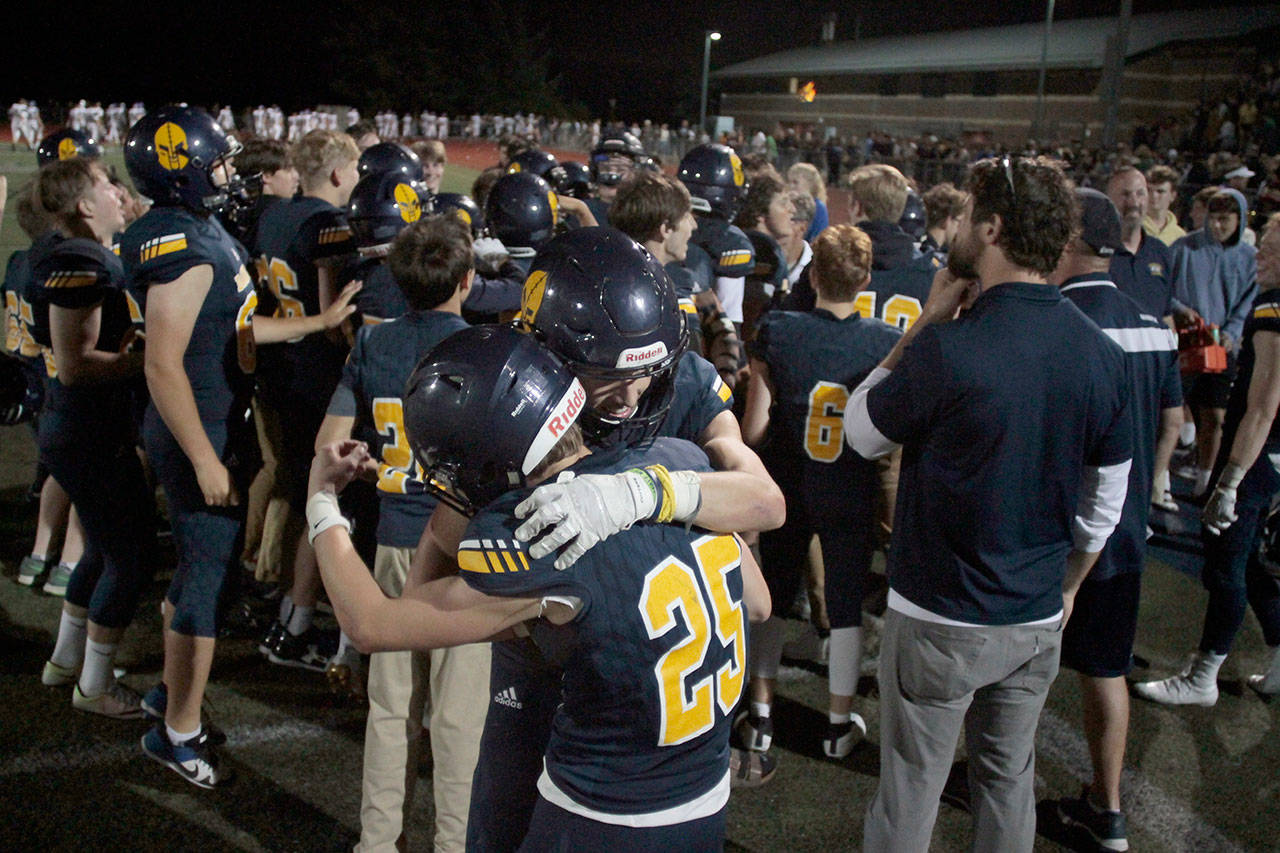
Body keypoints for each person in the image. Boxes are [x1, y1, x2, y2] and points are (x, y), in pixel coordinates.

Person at [308, 323, 770, 851]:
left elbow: (371, 624)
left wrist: (321, 500)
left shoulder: (538, 536)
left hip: (599, 817)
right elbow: (757, 603)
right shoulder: (676, 459)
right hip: (705, 803)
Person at [844, 155, 1133, 851]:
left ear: (995, 228)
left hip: (939, 614)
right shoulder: (1100, 353)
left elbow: (858, 432)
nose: (961, 224)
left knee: (909, 792)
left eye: (973, 213)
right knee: (1007, 785)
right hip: (1033, 613)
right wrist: (1068, 585)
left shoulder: (948, 347)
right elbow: (1106, 500)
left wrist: (921, 324)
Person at [122, 105, 359, 787]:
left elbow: (239, 329)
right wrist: (201, 456)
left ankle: (171, 697)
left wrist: (317, 320)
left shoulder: (194, 230)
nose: (231, 174)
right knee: (204, 577)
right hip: (198, 428)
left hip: (213, 419)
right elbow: (163, 364)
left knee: (211, 574)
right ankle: (177, 730)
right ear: (183, 172)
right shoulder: (184, 248)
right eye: (218, 164)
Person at [314, 215, 486, 851]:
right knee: (458, 716)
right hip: (459, 549)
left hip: (392, 538)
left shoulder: (373, 345)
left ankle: (378, 842)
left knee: (390, 708)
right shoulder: (479, 349)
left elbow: (327, 447)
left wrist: (369, 469)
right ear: (466, 280)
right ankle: (453, 843)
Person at [1046, 189, 1181, 853]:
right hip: (1125, 530)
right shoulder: (1154, 323)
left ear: (1067, 241)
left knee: (1016, 675)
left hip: (1053, 532)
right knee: (1107, 668)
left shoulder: (1054, 322)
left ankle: (998, 783)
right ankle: (1109, 807)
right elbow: (1174, 422)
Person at [739, 224, 902, 763]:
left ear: (812, 274)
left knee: (777, 597)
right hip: (848, 486)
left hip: (788, 481)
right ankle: (836, 724)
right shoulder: (882, 342)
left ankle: (760, 714)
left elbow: (755, 429)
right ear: (866, 279)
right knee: (847, 604)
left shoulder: (781, 329)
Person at [1134, 213, 1280, 707]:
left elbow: (1262, 406)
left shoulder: (1273, 309)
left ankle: (1203, 674)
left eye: (1271, 249)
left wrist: (1232, 479)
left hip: (1258, 453)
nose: (1258, 255)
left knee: (1226, 560)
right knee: (1254, 561)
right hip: (1274, 454)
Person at [28, 158, 154, 718]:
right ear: (84, 205)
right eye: (105, 184)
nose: (117, 191)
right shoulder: (80, 259)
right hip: (84, 427)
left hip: (81, 426)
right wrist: (144, 363)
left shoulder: (93, 254)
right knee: (131, 556)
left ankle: (65, 661)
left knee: (103, 549)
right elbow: (76, 365)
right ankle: (95, 685)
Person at [253, 128, 362, 670]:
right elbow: (333, 319)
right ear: (339, 172)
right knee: (326, 500)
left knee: (297, 490)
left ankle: (284, 602)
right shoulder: (326, 223)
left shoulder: (273, 214)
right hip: (316, 375)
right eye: (357, 167)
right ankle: (294, 623)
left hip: (277, 367)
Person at [1105, 167, 1184, 514]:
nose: (1134, 202)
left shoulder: (1160, 253)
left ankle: (1154, 486)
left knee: (1172, 422)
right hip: (1113, 365)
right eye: (1125, 195)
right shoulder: (1100, 251)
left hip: (1155, 360)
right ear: (1110, 200)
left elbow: (1166, 313)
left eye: (1140, 193)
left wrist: (1173, 356)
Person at [1170, 189, 1258, 495]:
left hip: (1221, 344)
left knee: (1215, 416)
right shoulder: (1184, 248)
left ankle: (1204, 478)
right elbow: (1164, 289)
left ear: (1239, 220)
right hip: (1186, 341)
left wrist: (1231, 334)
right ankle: (1159, 477)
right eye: (1213, 218)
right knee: (1169, 412)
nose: (1218, 226)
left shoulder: (1249, 259)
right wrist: (1181, 312)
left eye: (1225, 220)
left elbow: (1248, 302)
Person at [919, 182, 966, 257]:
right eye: (960, 222)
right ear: (947, 221)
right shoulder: (934, 261)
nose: (961, 230)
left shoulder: (918, 247)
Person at [1143, 165, 1186, 246]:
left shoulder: (1180, 236)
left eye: (1160, 191)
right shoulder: (1130, 227)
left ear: (1172, 196)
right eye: (1148, 190)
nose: (1153, 196)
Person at [786, 162, 828, 241]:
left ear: (810, 184)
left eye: (795, 182)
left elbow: (818, 238)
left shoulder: (819, 207)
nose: (791, 186)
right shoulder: (785, 204)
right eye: (789, 182)